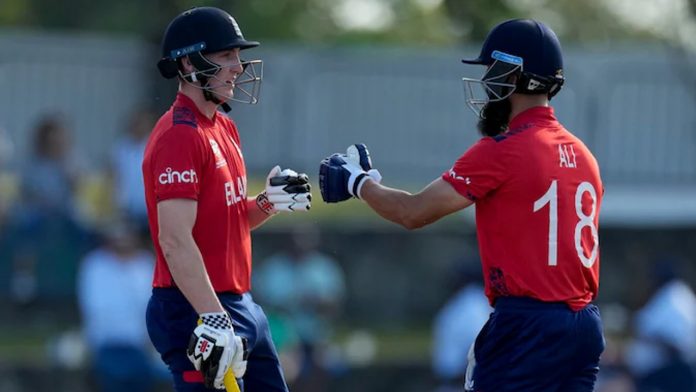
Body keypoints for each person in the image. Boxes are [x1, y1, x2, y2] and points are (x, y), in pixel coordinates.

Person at [319, 19, 605, 391]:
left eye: (494, 71)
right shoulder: (584, 155)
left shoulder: (504, 150)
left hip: (526, 325)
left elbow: (412, 212)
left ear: (515, 76)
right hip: (583, 325)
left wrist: (360, 183)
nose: (488, 83)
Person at [143, 7, 311, 392]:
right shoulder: (180, 135)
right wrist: (211, 315)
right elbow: (174, 239)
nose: (238, 67)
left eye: (237, 55)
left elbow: (229, 218)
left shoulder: (223, 126)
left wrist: (269, 201)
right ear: (188, 62)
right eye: (225, 56)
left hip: (237, 303)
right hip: (194, 306)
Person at [253, 224, 346, 390]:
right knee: (286, 367)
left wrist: (315, 303)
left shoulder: (325, 268)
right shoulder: (273, 268)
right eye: (296, 239)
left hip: (317, 337)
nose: (300, 244)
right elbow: (259, 305)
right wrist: (283, 306)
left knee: (326, 363)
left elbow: (335, 307)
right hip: (281, 338)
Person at [77, 220, 157, 392]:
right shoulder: (95, 265)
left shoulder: (145, 264)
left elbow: (151, 308)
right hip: (106, 346)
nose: (122, 240)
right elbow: (94, 309)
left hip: (140, 347)